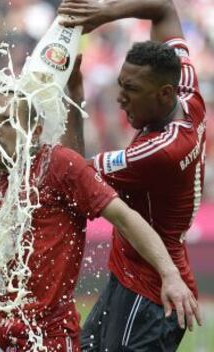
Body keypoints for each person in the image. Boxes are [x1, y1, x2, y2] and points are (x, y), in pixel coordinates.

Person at [0, 87, 200, 352]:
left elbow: (125, 218)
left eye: (7, 121)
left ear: (35, 131)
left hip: (45, 337)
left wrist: (170, 275)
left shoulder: (59, 166)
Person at [58, 0, 205, 350]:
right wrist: (104, 14)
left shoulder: (160, 151)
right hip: (133, 277)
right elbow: (165, 8)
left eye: (132, 90)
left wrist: (73, 100)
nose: (120, 99)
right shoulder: (186, 90)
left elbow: (74, 175)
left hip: (150, 294)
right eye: (121, 83)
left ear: (163, 94)